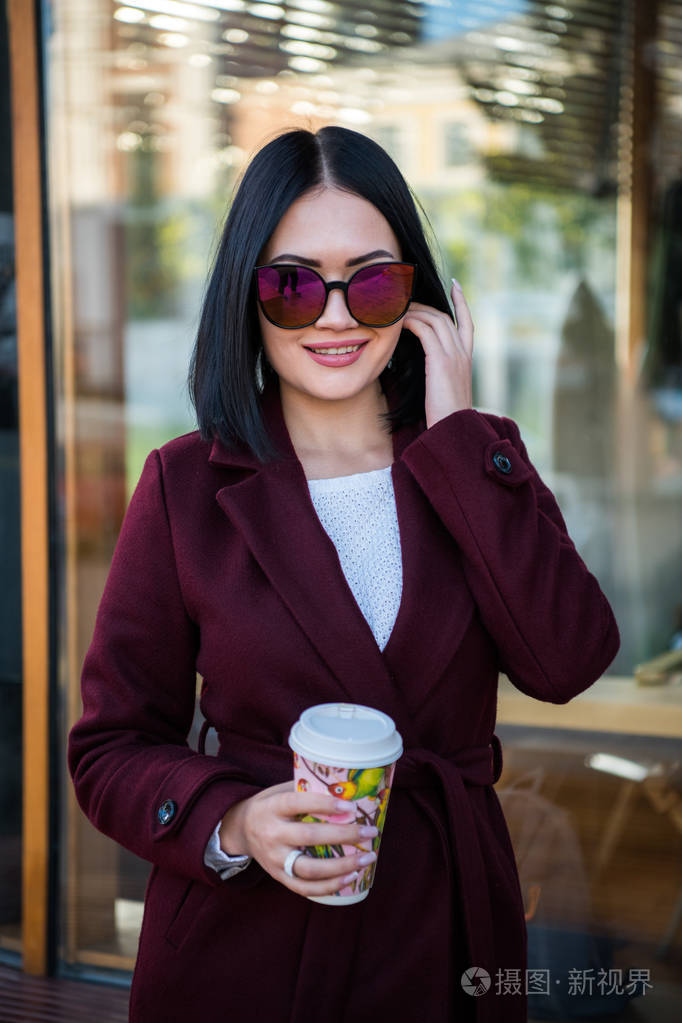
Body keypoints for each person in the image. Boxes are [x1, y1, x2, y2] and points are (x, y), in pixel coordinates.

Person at [68, 126, 620, 1023]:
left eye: (371, 283)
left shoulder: (475, 464)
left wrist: (458, 435)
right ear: (248, 298)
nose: (333, 316)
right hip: (245, 956)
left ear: (414, 299)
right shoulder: (186, 486)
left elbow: (567, 662)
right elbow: (110, 748)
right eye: (292, 285)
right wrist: (235, 821)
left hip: (443, 946)